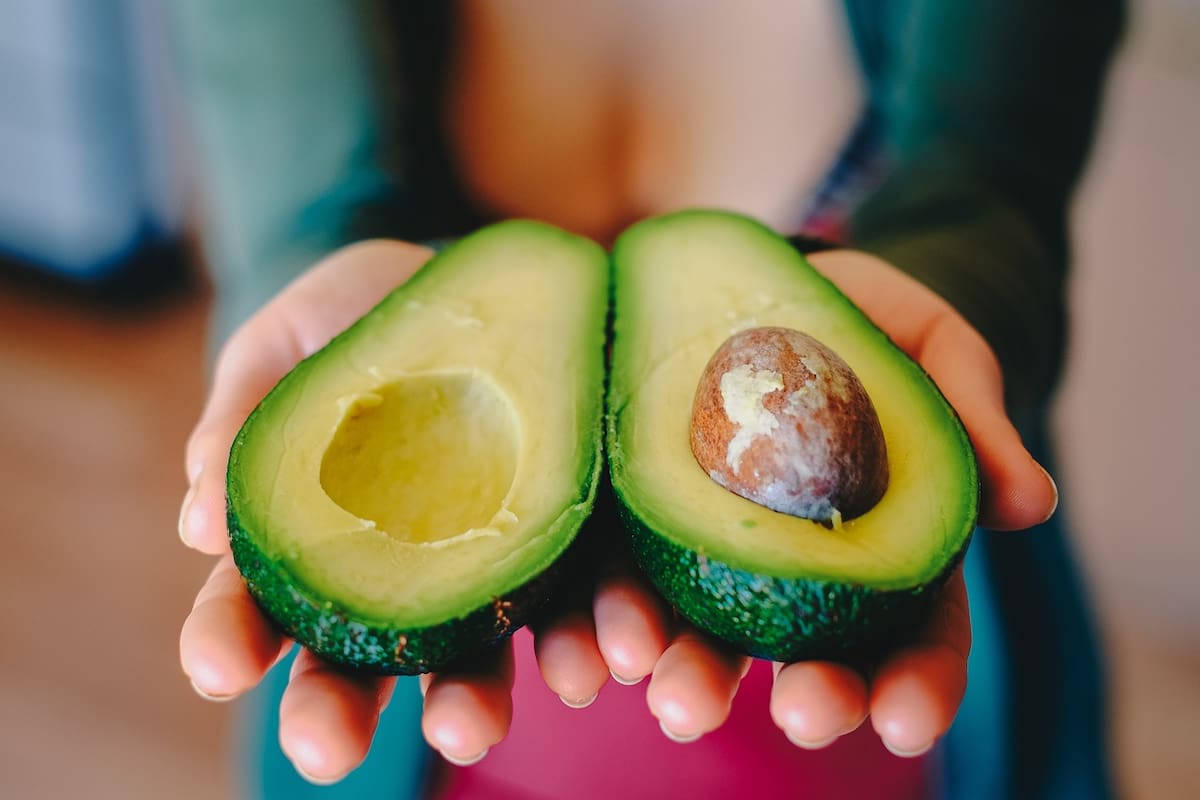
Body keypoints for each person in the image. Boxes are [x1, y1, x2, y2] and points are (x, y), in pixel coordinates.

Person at [168, 2, 1122, 797]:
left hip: (879, 714)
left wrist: (964, 297)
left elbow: (995, 186)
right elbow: (288, 171)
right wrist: (307, 283)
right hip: (432, 724)